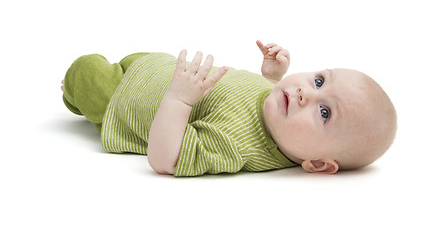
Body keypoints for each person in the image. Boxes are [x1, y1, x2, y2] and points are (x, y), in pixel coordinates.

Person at [61, 40, 397, 177]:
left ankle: (72, 94)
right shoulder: (279, 108)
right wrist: (271, 76)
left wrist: (179, 98)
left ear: (318, 163)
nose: (304, 94)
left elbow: (166, 160)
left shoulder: (237, 144)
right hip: (158, 67)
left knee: (87, 71)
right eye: (320, 81)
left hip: (123, 98)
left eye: (324, 113)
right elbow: (257, 91)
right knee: (125, 57)